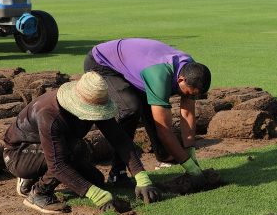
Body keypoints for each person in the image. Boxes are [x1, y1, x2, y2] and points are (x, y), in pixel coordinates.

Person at [3, 72, 160, 214]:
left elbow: (120, 140)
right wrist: (96, 195)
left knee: (96, 181)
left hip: (54, 149)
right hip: (19, 153)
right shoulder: (50, 115)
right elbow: (58, 164)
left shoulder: (95, 101)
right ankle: (39, 193)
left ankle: (38, 174)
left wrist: (142, 177)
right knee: (70, 151)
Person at [83, 38, 211, 188]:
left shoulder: (193, 71)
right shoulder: (159, 77)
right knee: (130, 108)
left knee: (154, 108)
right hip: (102, 63)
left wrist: (190, 151)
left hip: (135, 64)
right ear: (181, 79)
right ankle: (118, 172)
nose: (190, 98)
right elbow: (164, 130)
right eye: (189, 93)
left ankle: (163, 154)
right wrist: (191, 168)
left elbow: (188, 114)